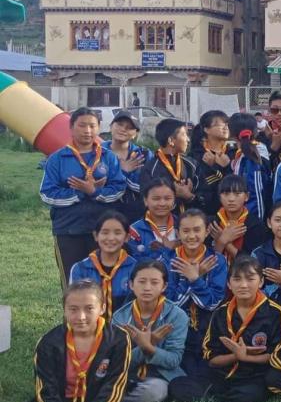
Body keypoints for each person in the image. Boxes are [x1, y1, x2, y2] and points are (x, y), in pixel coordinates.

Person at [0, 281, 144, 402]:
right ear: (65, 310)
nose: (81, 316)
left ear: (102, 308)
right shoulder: (49, 343)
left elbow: (112, 388)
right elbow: (47, 392)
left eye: (89, 308)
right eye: (73, 309)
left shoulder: (118, 339)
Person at [169, 255, 281, 402]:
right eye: (237, 279)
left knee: (251, 393)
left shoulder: (275, 312)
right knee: (178, 385)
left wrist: (246, 357)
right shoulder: (220, 313)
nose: (244, 285)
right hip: (221, 376)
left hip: (253, 377)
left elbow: (278, 355)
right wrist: (235, 356)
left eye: (250, 278)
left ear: (261, 282)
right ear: (229, 284)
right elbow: (211, 358)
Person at [40, 107, 127, 279]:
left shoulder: (108, 157)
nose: (87, 131)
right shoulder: (57, 158)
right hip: (68, 229)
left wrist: (94, 191)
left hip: (102, 232)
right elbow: (47, 193)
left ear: (99, 128)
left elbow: (119, 189)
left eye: (92, 126)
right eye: (82, 125)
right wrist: (80, 193)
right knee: (73, 280)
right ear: (71, 128)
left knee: (104, 280)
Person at [112, 258, 189, 402]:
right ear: (131, 285)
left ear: (164, 286)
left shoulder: (177, 315)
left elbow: (174, 360)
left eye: (154, 282)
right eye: (141, 282)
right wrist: (147, 345)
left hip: (160, 376)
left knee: (155, 391)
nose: (147, 288)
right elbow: (118, 362)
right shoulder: (119, 317)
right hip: (127, 376)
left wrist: (149, 347)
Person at [168, 208, 228, 377]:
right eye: (186, 231)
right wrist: (195, 278)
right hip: (176, 328)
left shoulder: (217, 260)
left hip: (208, 327)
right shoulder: (168, 260)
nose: (191, 236)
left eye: (197, 230)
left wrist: (194, 279)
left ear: (207, 231)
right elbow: (170, 303)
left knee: (206, 374)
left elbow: (213, 303)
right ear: (178, 233)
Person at [68, 211, 136, 319]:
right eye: (105, 232)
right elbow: (74, 304)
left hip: (125, 329)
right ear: (96, 236)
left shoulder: (135, 268)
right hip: (89, 328)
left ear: (127, 237)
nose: (110, 238)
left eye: (117, 233)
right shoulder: (80, 269)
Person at [208, 174, 269, 263]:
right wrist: (220, 243)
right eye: (226, 194)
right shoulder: (212, 223)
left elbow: (252, 262)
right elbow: (208, 262)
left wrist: (224, 241)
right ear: (220, 197)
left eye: (237, 194)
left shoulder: (255, 225)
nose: (231, 199)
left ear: (247, 196)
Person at [141, 117, 198, 212]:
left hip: (188, 223)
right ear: (171, 140)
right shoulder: (150, 169)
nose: (188, 140)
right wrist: (176, 195)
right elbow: (147, 203)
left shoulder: (191, 165)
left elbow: (203, 199)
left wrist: (189, 196)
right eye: (184, 135)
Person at [227, 112, 271, 221]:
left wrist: (255, 223)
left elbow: (256, 194)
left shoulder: (251, 157)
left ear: (231, 133)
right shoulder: (243, 154)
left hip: (253, 221)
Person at [106, 110, 147, 224]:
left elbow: (148, 187)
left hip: (136, 218)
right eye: (119, 124)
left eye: (129, 127)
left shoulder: (144, 155)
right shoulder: (97, 153)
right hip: (104, 215)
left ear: (135, 134)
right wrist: (123, 171)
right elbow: (95, 187)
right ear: (110, 127)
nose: (123, 129)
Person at [191, 109, 232, 216]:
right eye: (219, 124)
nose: (225, 127)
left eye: (227, 124)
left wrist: (224, 167)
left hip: (231, 212)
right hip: (204, 213)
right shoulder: (197, 156)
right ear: (206, 129)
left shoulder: (233, 153)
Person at [127, 178, 178, 262]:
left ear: (174, 201)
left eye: (167, 198)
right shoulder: (134, 231)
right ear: (145, 201)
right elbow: (134, 262)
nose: (162, 203)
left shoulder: (183, 227)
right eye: (156, 199)